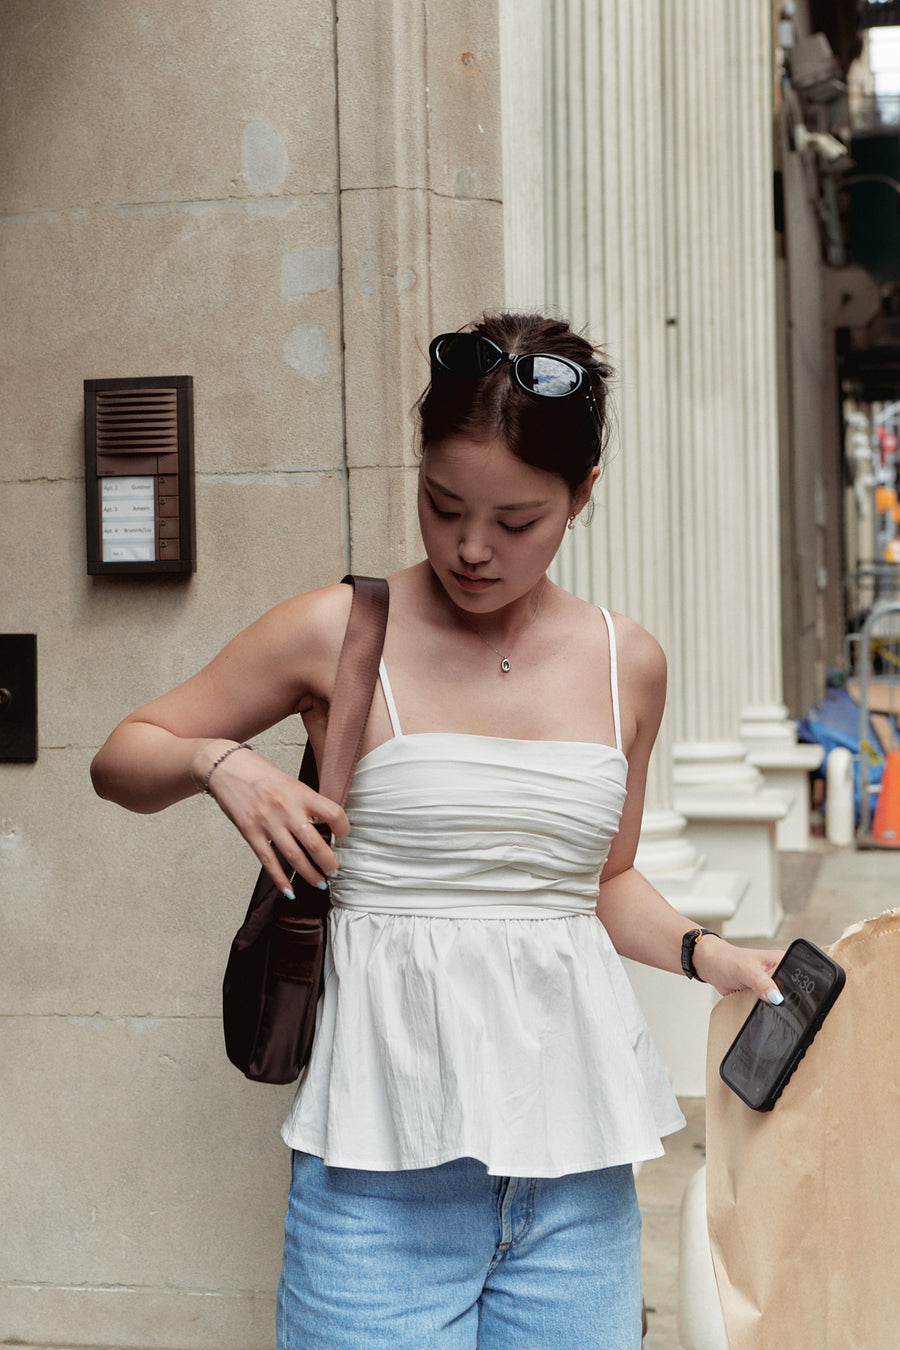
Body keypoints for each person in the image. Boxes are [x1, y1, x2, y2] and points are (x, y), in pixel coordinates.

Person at [91, 312, 783, 1350]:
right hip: (379, 1183)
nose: (470, 547)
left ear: (582, 497)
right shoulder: (339, 631)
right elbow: (120, 757)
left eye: (517, 521)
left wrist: (708, 953)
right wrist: (215, 760)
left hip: (575, 1183)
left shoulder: (626, 661)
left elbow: (603, 880)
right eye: (443, 504)